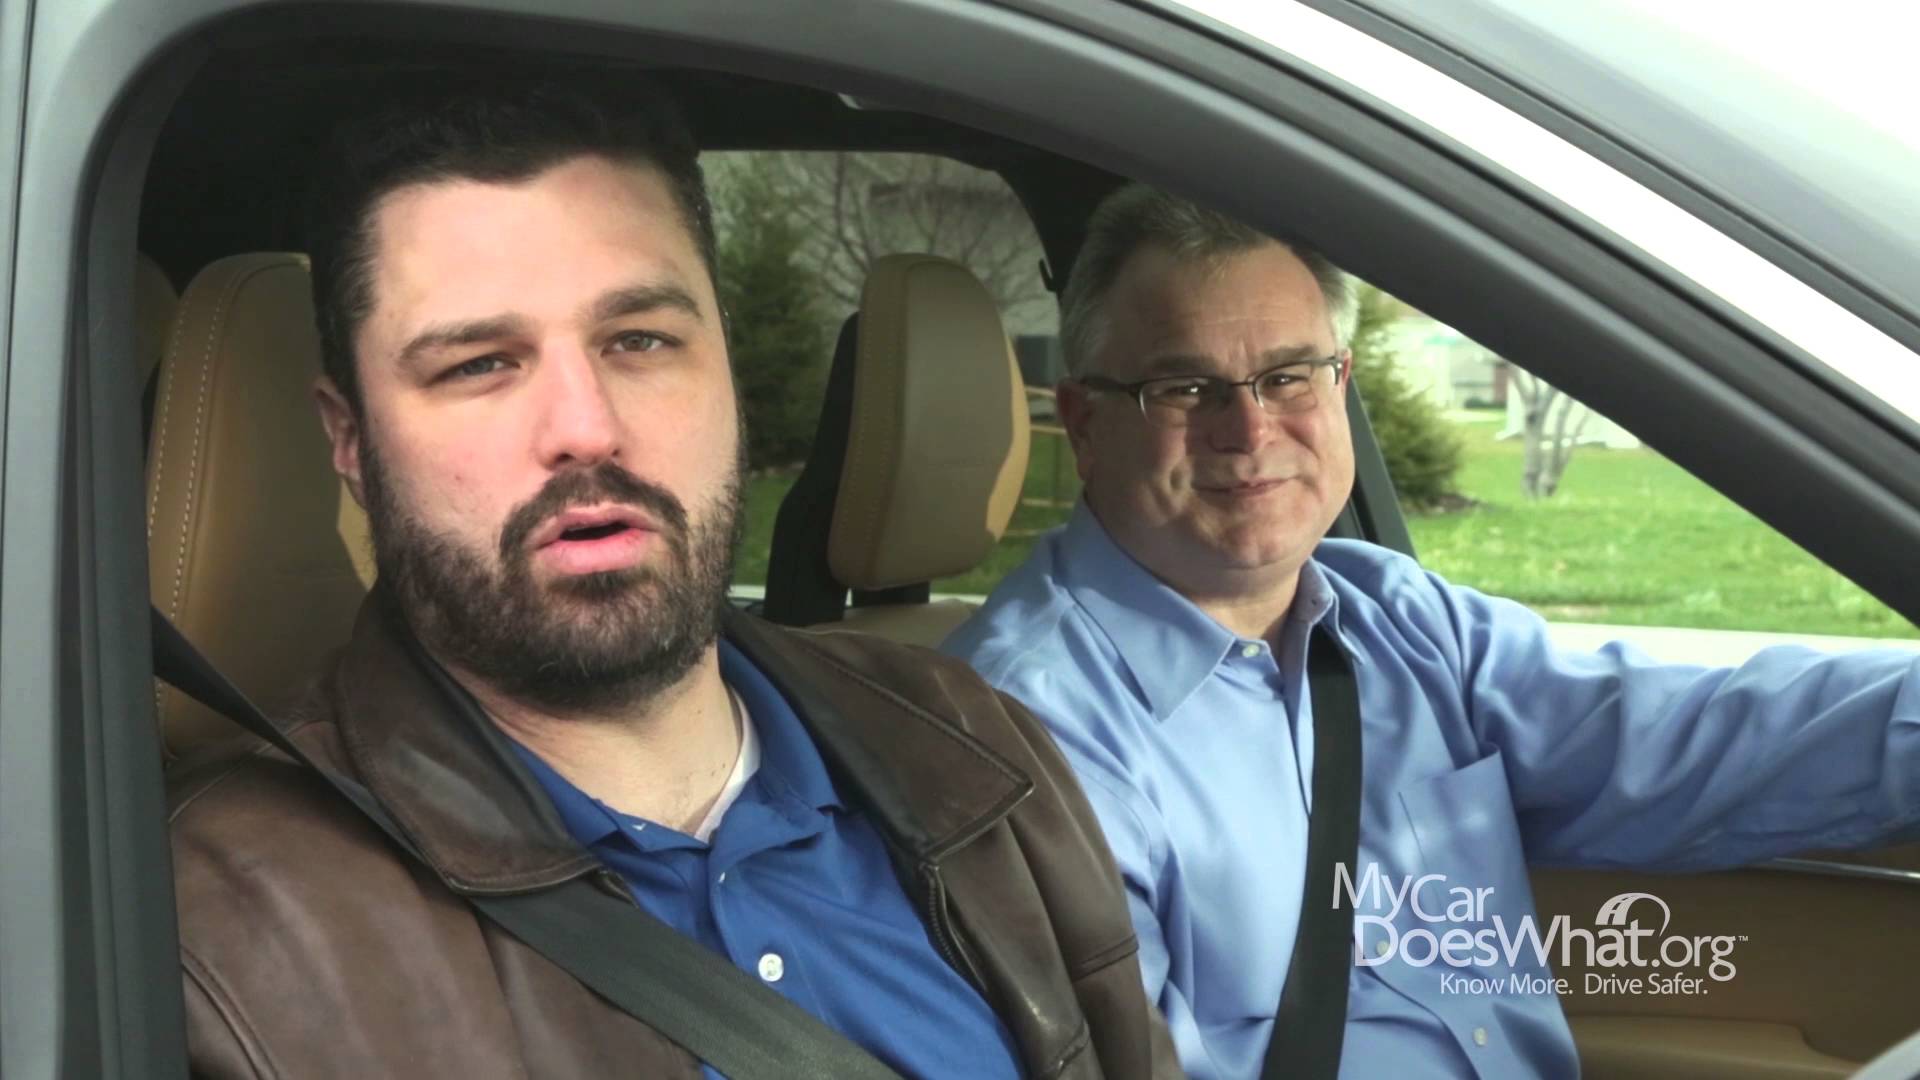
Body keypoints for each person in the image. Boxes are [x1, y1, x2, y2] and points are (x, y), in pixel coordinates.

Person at [166, 82, 1180, 1079]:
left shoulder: (969, 739)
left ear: (724, 363)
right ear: (349, 439)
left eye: (640, 340)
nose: (586, 429)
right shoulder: (214, 932)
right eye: (478, 363)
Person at [943, 183, 1920, 1080]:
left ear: (1340, 384)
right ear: (1085, 424)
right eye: (1185, 389)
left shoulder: (1395, 618)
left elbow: (1694, 739)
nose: (1248, 431)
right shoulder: (1029, 736)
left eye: (1289, 376)